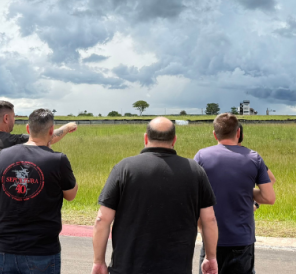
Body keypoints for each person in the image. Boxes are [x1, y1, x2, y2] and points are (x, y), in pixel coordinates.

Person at [0, 101, 77, 274]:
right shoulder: (13, 144)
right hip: (4, 215)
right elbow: (42, 140)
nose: (14, 121)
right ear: (6, 118)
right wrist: (67, 127)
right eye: (13, 117)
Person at [92, 117, 219, 274]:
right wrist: (210, 257)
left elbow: (102, 219)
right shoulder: (195, 171)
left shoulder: (124, 168)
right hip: (176, 268)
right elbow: (209, 219)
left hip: (128, 268)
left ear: (146, 138)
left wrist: (99, 262)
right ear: (174, 140)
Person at [195, 114, 275, 274]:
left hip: (211, 239)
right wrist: (246, 192)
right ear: (238, 133)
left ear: (214, 134)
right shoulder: (254, 158)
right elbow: (269, 197)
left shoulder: (201, 157)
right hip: (242, 239)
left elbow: (195, 198)